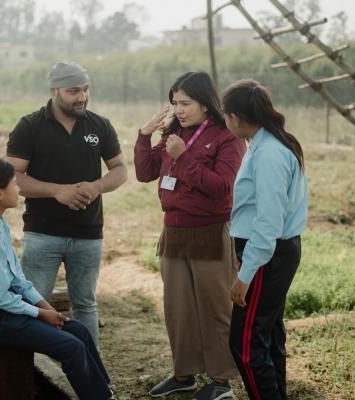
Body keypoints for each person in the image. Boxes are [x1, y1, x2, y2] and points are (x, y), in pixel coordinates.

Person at [0, 158, 113, 400]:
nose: (18, 188)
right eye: (14, 184)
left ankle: (104, 392)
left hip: (4, 306)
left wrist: (47, 308)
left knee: (78, 330)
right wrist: (40, 314)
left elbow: (18, 279)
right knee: (70, 347)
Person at [134, 71, 245, 400]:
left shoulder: (227, 137)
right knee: (177, 309)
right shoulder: (173, 132)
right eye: (174, 103)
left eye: (185, 103)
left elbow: (222, 187)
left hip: (210, 231)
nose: (178, 109)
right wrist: (144, 135)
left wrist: (184, 156)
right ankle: (183, 374)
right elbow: (144, 172)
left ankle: (221, 380)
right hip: (174, 231)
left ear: (206, 104)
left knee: (215, 307)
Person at [6, 61, 127, 347]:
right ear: (54, 91)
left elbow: (120, 170)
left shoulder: (100, 125)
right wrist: (56, 191)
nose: (82, 96)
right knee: (35, 304)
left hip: (88, 233)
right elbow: (11, 176)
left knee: (86, 304)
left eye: (85, 89)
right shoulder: (30, 126)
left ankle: (91, 370)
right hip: (42, 233)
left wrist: (97, 186)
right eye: (74, 90)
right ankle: (35, 372)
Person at [222, 79, 308, 400]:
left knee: (245, 343)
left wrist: (244, 276)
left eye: (226, 116)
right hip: (270, 251)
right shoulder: (265, 144)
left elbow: (268, 221)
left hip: (266, 254)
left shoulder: (269, 153)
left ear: (236, 117)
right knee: (268, 334)